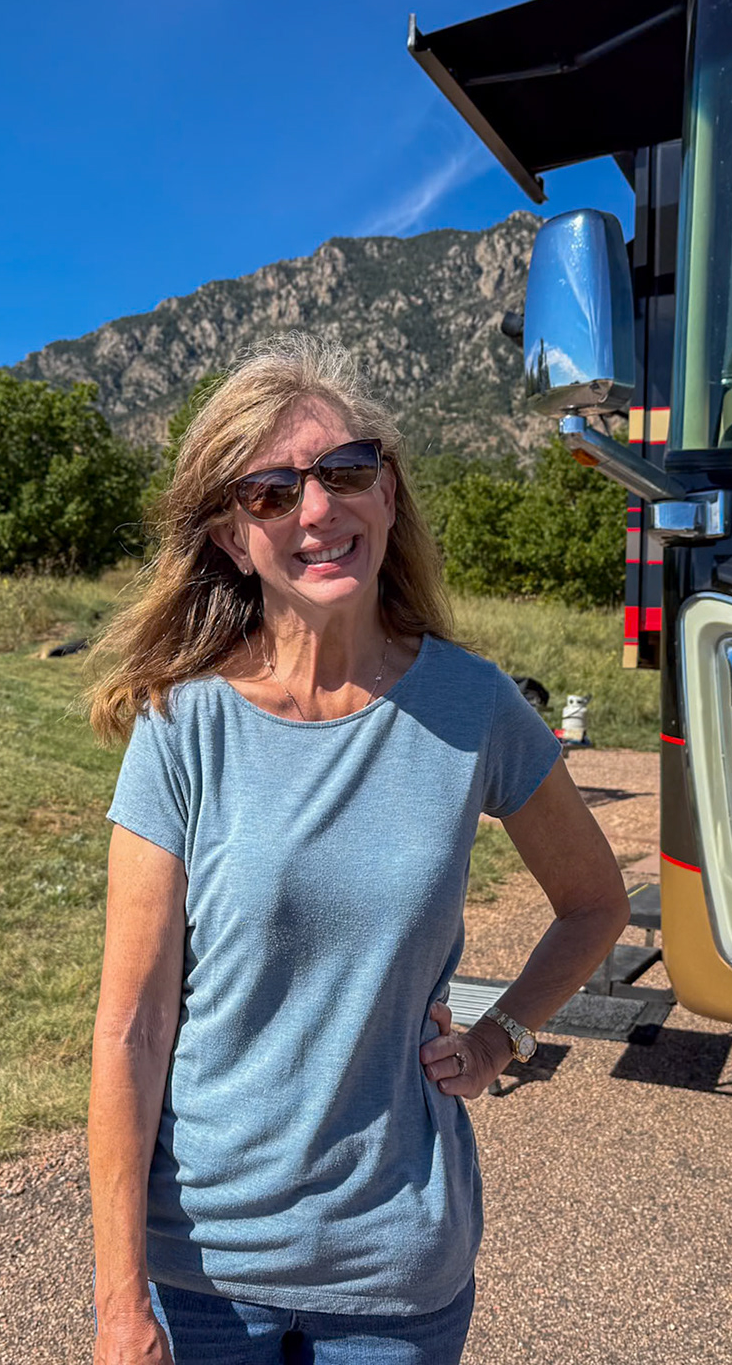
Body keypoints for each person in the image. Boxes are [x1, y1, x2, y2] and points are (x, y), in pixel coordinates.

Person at [85, 334, 628, 1364]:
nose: (318, 511)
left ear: (389, 496)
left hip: (398, 1268)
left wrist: (501, 1035)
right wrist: (120, 1304)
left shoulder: (474, 704)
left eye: (345, 473)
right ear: (232, 538)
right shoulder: (181, 729)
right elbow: (132, 1028)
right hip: (202, 1274)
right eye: (271, 493)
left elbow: (596, 903)